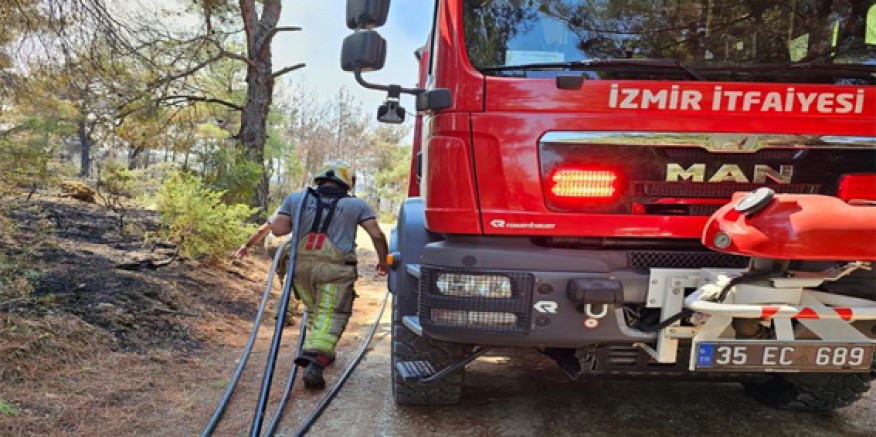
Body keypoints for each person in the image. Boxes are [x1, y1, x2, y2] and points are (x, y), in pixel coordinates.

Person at [270, 161, 389, 390]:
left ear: (318, 179)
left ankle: (321, 349)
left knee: (315, 310)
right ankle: (316, 359)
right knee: (332, 313)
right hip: (336, 270)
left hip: (300, 267)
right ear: (347, 183)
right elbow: (376, 234)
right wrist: (383, 260)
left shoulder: (295, 198)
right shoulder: (357, 204)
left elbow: (278, 230)